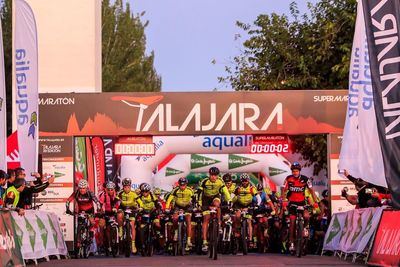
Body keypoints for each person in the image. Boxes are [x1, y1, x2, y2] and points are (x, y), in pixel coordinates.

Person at [283, 162, 316, 254]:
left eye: (296, 171)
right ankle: (292, 243)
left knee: (306, 216)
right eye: (293, 171)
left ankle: (304, 227)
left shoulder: (305, 179)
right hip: (292, 203)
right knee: (292, 223)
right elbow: (284, 189)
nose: (295, 173)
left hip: (302, 202)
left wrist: (315, 203)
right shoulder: (288, 178)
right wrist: (283, 200)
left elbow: (311, 190)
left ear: (299, 171)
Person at [197, 166, 231, 252]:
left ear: (217, 175)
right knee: (206, 219)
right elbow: (199, 193)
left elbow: (225, 191)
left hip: (215, 197)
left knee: (217, 205)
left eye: (215, 175)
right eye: (212, 175)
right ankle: (204, 242)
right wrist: (199, 202)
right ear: (209, 175)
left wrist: (229, 200)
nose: (213, 177)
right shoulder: (204, 181)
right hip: (205, 199)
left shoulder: (220, 181)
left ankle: (218, 224)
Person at [165, 177, 195, 251]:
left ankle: (188, 240)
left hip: (188, 207)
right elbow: (169, 200)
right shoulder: (175, 190)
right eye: (181, 185)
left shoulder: (190, 190)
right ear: (179, 185)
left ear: (186, 184)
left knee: (188, 221)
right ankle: (176, 231)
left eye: (184, 185)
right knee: (174, 218)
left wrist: (195, 206)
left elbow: (194, 199)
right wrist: (166, 207)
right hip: (178, 206)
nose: (182, 187)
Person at [232, 173, 259, 247]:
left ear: (248, 181)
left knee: (249, 221)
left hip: (249, 205)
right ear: (241, 181)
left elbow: (258, 197)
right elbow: (232, 196)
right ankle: (237, 231)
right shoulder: (238, 188)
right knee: (237, 216)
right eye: (243, 181)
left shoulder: (252, 188)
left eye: (246, 181)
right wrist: (230, 204)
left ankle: (250, 240)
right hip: (239, 204)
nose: (244, 182)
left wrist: (257, 205)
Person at [118, 178, 142, 254]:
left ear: (130, 186)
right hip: (123, 208)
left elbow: (140, 201)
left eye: (128, 187)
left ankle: (133, 244)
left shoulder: (134, 193)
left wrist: (140, 207)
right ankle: (121, 229)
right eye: (125, 187)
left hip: (132, 209)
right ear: (123, 187)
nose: (126, 189)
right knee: (119, 215)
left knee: (132, 225)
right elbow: (116, 201)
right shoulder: (120, 193)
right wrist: (115, 207)